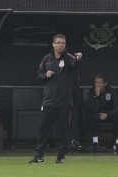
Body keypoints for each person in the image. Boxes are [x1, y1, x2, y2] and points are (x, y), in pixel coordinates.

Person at [29, 34, 82, 164]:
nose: (60, 45)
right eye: (58, 42)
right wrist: (45, 74)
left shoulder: (69, 58)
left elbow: (75, 66)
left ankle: (61, 156)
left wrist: (79, 59)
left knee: (63, 130)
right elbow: (39, 75)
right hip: (48, 100)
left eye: (63, 43)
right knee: (43, 129)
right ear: (53, 44)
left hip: (64, 101)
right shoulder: (47, 58)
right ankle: (39, 156)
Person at [88, 74, 118, 154]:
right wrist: (97, 96)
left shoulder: (111, 91)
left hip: (109, 114)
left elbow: (117, 108)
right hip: (98, 114)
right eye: (95, 82)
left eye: (99, 83)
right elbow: (93, 110)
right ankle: (95, 143)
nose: (97, 85)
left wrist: (107, 114)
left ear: (105, 83)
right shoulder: (91, 91)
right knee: (93, 117)